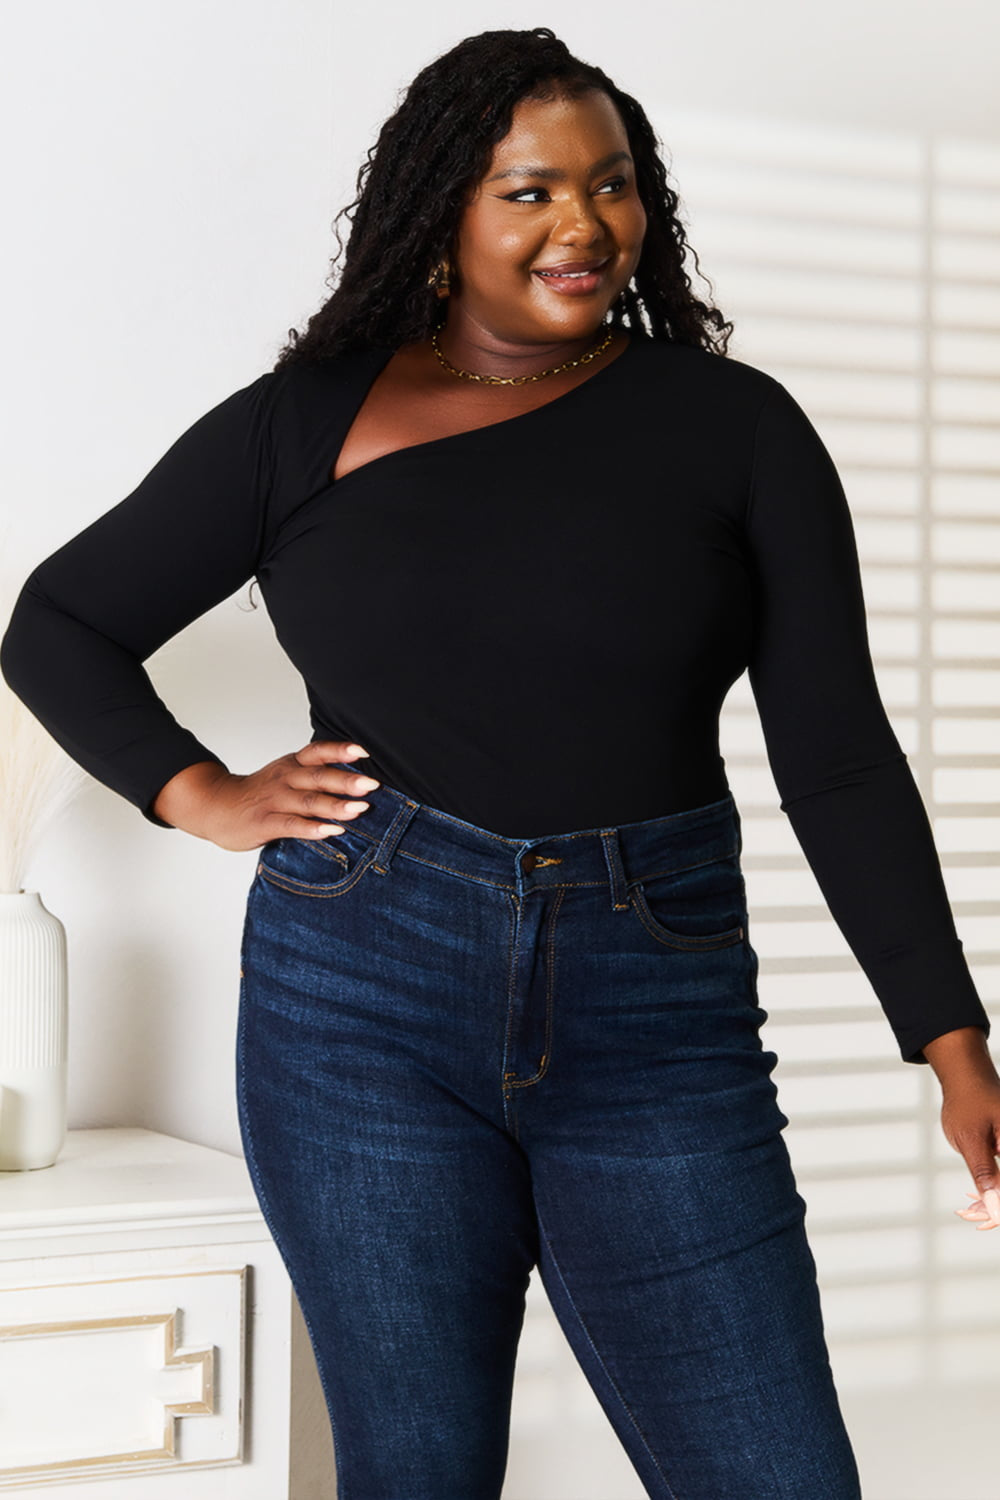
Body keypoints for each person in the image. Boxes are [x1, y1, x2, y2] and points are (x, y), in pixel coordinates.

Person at [2, 25, 998, 1500]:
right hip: (358, 1002)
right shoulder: (307, 423)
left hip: (653, 1002)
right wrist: (201, 794)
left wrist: (949, 1040)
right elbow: (62, 621)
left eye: (611, 186)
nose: (581, 225)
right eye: (529, 191)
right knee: (420, 1471)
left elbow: (837, 755)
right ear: (443, 213)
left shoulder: (733, 429)